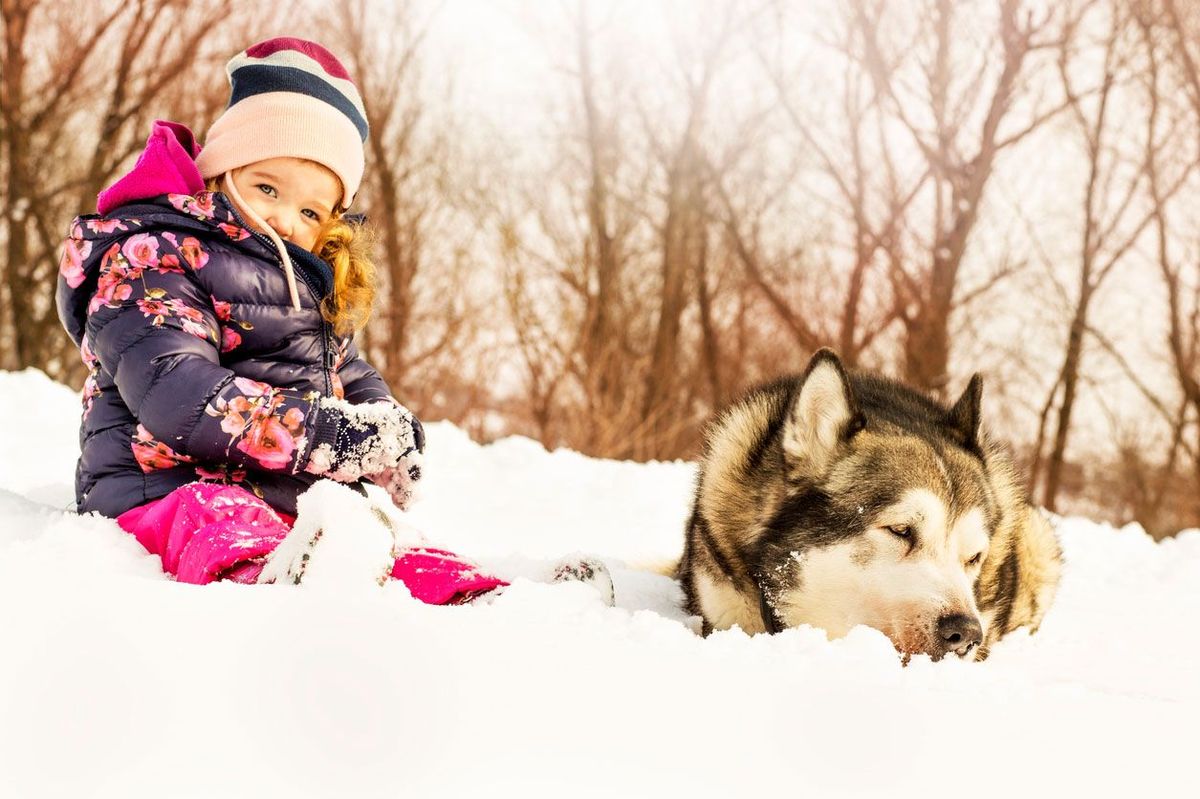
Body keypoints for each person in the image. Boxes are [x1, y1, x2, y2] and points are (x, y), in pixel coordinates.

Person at [53, 37, 525, 603]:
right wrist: (332, 437)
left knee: (381, 539)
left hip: (285, 495)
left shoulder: (308, 284)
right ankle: (281, 587)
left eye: (309, 211)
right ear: (222, 174)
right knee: (221, 518)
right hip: (161, 489)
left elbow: (344, 370)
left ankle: (477, 598)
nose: (284, 217)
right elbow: (177, 393)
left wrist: (383, 426)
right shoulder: (156, 254)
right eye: (267, 188)